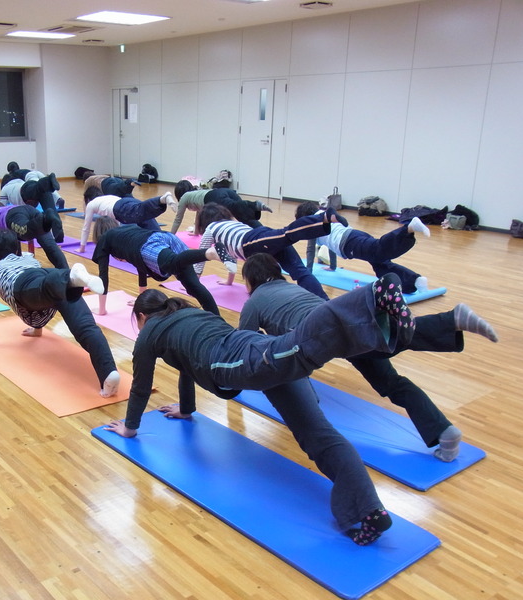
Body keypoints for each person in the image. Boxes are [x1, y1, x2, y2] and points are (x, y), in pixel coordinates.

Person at [103, 279, 417, 544]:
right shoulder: (187, 313)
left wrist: (130, 427)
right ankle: (370, 511)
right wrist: (187, 409)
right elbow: (185, 365)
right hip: (249, 343)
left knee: (299, 348)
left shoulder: (150, 332)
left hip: (231, 359)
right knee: (318, 434)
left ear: (142, 316)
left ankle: (370, 296)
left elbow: (141, 386)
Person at [238, 252, 499, 461]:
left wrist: (233, 382)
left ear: (250, 280)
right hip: (336, 330)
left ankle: (443, 317)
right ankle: (444, 432)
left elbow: (242, 345)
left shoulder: (254, 301)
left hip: (325, 335)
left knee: (383, 340)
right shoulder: (293, 288)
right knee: (389, 374)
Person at [0, 229, 120, 397]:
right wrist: (37, 329)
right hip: (51, 282)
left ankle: (71, 279)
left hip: (24, 287)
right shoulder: (29, 258)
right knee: (87, 327)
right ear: (15, 249)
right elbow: (40, 291)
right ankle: (109, 372)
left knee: (42, 288)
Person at [91, 217, 234, 316]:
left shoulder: (105, 239)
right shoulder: (126, 231)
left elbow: (103, 276)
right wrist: (141, 299)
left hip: (150, 244)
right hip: (166, 237)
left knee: (171, 263)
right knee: (193, 286)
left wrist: (102, 310)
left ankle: (210, 252)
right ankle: (218, 321)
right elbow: (139, 266)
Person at [193, 203, 332, 299]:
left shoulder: (211, 228)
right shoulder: (232, 223)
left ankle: (321, 220)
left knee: (287, 234)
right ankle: (325, 302)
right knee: (300, 270)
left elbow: (200, 256)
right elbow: (231, 256)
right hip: (261, 238)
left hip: (252, 241)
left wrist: (194, 284)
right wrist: (229, 281)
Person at [297, 201, 431, 294]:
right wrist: (332, 267)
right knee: (381, 264)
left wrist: (308, 273)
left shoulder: (312, 224)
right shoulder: (324, 214)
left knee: (379, 250)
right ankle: (415, 281)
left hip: (349, 243)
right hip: (355, 234)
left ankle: (408, 228)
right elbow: (328, 244)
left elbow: (310, 250)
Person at [78, 186, 177, 252]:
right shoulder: (106, 198)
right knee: (149, 222)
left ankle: (161, 199)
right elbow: (117, 223)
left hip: (120, 208)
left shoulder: (91, 204)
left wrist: (82, 247)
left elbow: (86, 228)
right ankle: (167, 246)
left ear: (88, 199)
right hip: (127, 201)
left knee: (141, 211)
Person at [0, 200, 68, 270]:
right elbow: (16, 239)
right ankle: (65, 272)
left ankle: (47, 219)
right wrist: (19, 260)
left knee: (25, 233)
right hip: (29, 210)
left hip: (15, 215)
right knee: (49, 245)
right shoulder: (5, 209)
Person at [170, 179, 273, 235]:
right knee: (243, 216)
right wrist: (196, 232)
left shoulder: (184, 197)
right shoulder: (196, 194)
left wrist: (170, 236)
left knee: (235, 208)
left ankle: (254, 205)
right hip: (224, 192)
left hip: (215, 197)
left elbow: (178, 220)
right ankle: (267, 233)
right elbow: (198, 213)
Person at [0, 171, 65, 243]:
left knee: (34, 191)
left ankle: (47, 180)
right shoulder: (20, 181)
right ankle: (58, 235)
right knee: (52, 212)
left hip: (26, 193)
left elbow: (2, 208)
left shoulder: (4, 188)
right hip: (32, 188)